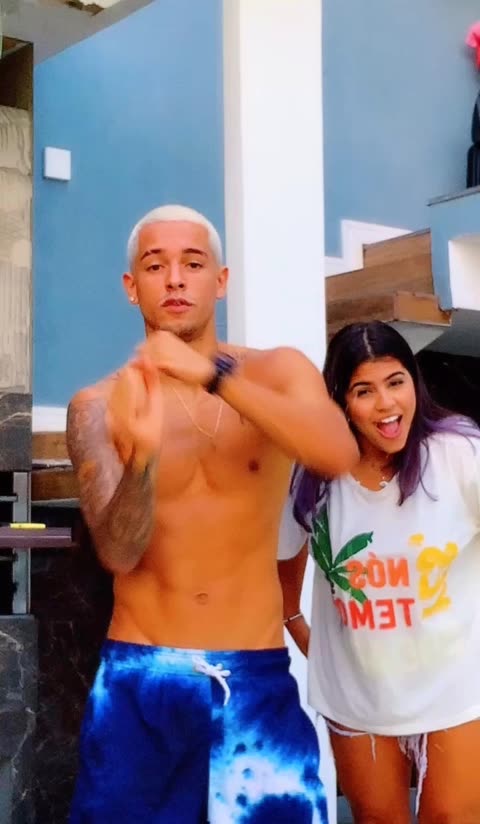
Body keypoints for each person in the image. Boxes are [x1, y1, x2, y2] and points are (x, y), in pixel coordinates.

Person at [66, 204, 358, 823]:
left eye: (193, 264)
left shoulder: (277, 371)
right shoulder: (98, 404)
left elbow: (337, 452)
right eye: (156, 266)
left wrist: (214, 375)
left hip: (255, 675)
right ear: (131, 287)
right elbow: (118, 551)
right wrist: (144, 458)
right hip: (142, 680)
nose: (175, 278)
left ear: (220, 281)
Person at [279, 320, 480, 824]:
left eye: (396, 382)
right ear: (341, 401)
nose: (386, 405)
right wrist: (296, 625)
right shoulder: (315, 473)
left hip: (455, 685)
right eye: (363, 391)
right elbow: (285, 555)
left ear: (415, 381)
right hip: (357, 693)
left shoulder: (458, 454)